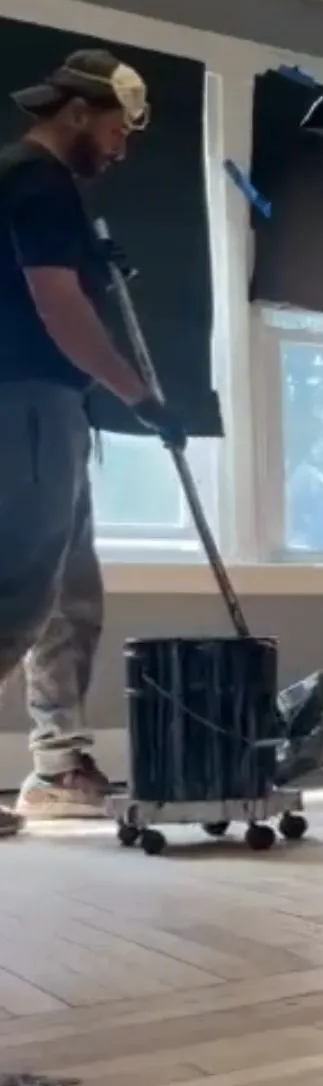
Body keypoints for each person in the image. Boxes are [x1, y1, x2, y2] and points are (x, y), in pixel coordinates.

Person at [0, 49, 185, 837]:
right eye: (116, 129)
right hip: (23, 404)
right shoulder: (34, 179)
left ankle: (58, 764)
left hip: (51, 406)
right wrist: (142, 399)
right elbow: (58, 311)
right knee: (14, 594)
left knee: (68, 594)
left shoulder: (43, 190)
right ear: (75, 112)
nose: (121, 148)